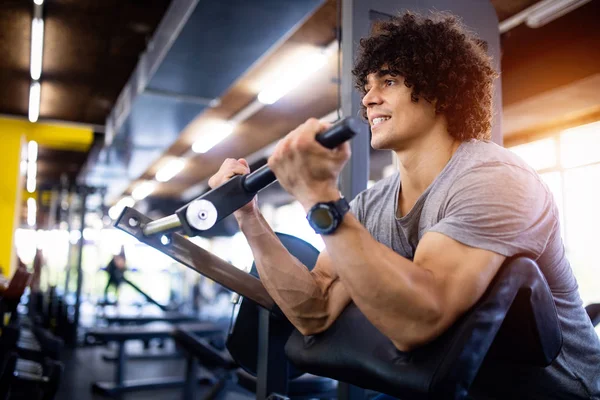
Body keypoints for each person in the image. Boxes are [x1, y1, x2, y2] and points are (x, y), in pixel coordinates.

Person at [208, 11, 600, 399]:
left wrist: (318, 196)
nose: (368, 98)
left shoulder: (497, 179)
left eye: (389, 81)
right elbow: (316, 312)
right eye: (368, 84)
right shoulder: (371, 205)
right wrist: (249, 217)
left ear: (438, 91)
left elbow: (419, 321)